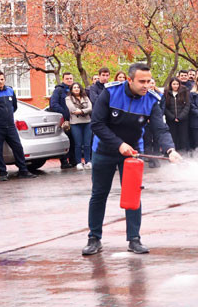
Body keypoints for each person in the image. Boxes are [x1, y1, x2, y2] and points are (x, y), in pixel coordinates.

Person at [82, 63, 181, 256]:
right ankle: (94, 238)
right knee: (99, 194)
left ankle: (134, 239)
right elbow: (97, 124)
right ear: (129, 80)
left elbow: (160, 128)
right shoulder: (110, 93)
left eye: (149, 81)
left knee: (132, 195)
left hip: (133, 154)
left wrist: (170, 150)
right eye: (142, 81)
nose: (146, 85)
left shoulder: (151, 100)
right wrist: (119, 144)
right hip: (104, 150)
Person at [0, 69, 37, 180]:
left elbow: (14, 107)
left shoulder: (10, 91)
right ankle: (2, 173)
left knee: (18, 148)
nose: (0, 82)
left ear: (4, 79)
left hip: (10, 126)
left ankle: (23, 170)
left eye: (2, 79)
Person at [49, 71, 76, 169]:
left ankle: (73, 161)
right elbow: (54, 104)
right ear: (63, 79)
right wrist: (65, 114)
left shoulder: (74, 89)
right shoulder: (58, 90)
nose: (69, 80)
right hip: (65, 120)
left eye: (71, 78)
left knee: (73, 141)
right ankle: (64, 162)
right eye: (67, 78)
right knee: (65, 141)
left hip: (75, 120)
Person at [65, 82, 94, 170]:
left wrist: (81, 111)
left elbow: (90, 108)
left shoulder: (85, 97)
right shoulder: (68, 98)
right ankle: (78, 162)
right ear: (71, 89)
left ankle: (88, 161)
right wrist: (84, 111)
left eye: (78, 87)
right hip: (75, 123)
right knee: (78, 144)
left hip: (87, 122)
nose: (76, 89)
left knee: (87, 144)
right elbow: (72, 109)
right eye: (74, 87)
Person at [163, 78, 191, 153]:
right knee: (173, 137)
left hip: (183, 119)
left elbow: (187, 106)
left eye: (177, 84)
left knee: (183, 137)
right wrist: (172, 117)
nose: (175, 86)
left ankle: (183, 153)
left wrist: (180, 117)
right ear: (170, 85)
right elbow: (165, 107)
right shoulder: (166, 93)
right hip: (171, 120)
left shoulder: (184, 92)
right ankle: (173, 153)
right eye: (174, 84)